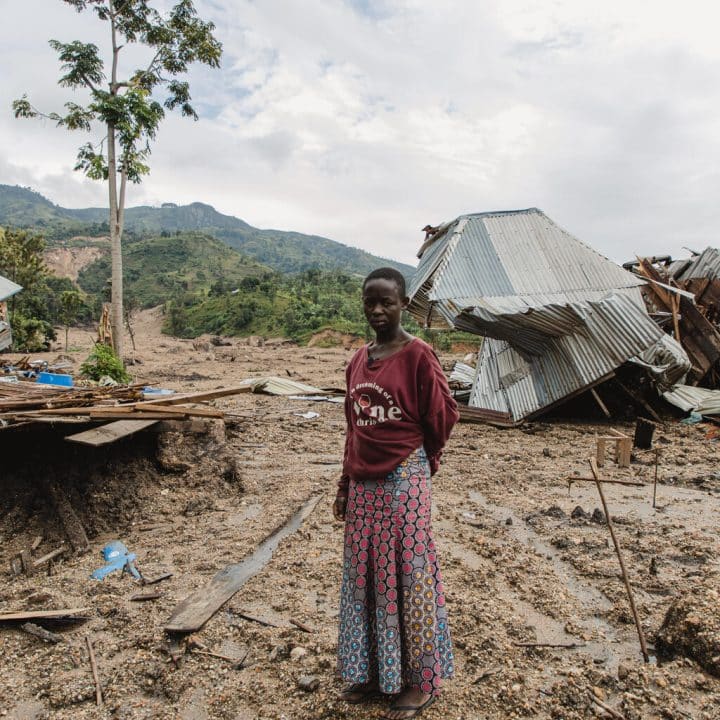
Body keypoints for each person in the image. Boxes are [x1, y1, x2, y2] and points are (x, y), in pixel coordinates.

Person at [334, 267, 459, 720]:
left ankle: (419, 680)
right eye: (370, 301)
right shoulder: (357, 360)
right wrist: (345, 483)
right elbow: (354, 428)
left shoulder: (418, 355)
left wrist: (424, 460)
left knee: (407, 574)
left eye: (387, 301)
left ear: (404, 303)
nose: (378, 310)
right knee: (365, 574)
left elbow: (442, 417)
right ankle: (370, 671)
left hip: (404, 479)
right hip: (364, 484)